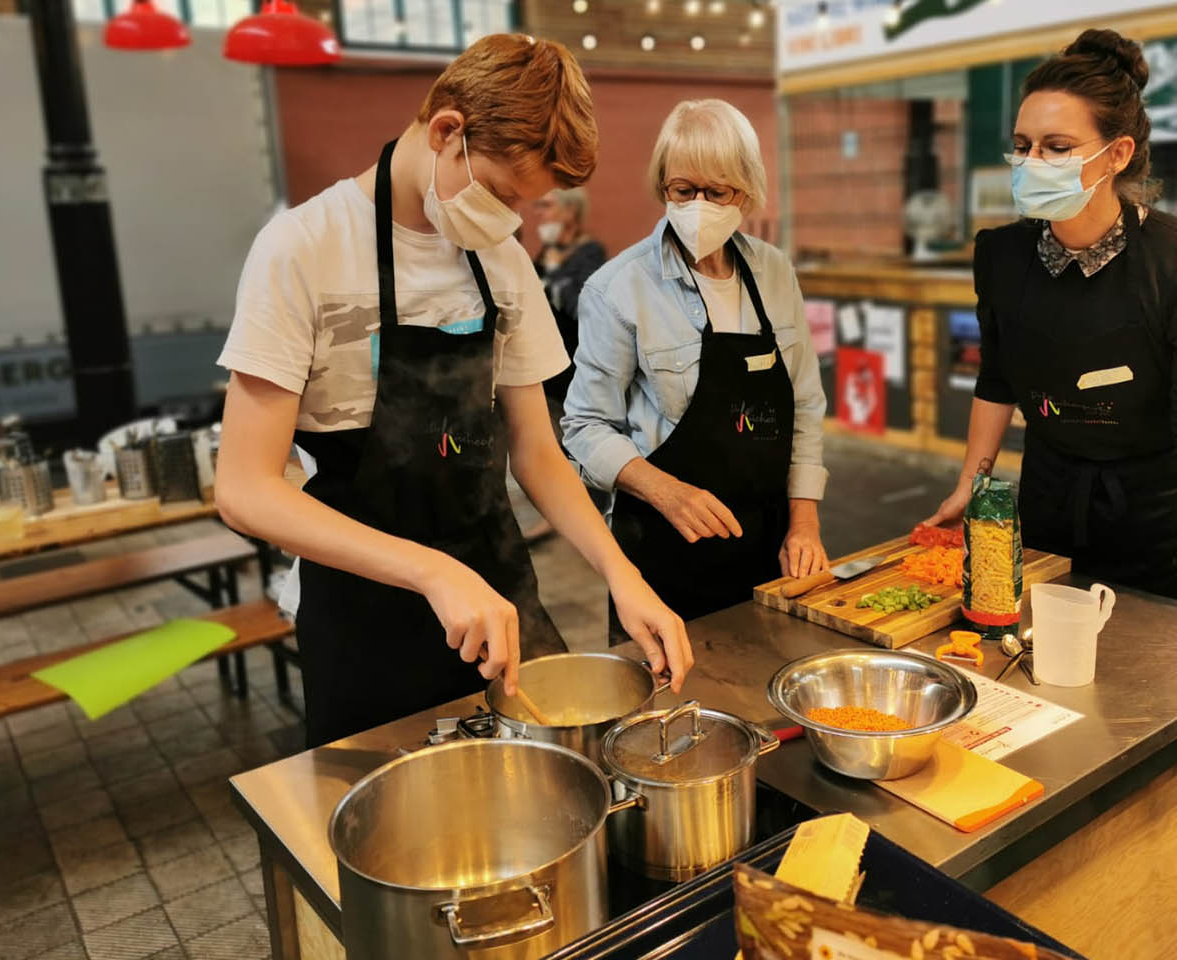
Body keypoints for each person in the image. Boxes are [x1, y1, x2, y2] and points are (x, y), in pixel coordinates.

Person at [214, 35, 693, 747]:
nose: (511, 221)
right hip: (363, 618)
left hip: (498, 598)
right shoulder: (302, 249)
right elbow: (245, 490)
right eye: (502, 194)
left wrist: (621, 573)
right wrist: (431, 571)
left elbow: (536, 452)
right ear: (446, 131)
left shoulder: (500, 260)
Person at [924, 29, 1177, 634]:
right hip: (1045, 506)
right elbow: (998, 376)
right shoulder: (1001, 255)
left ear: (1118, 154)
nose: (1032, 163)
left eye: (1057, 147)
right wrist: (973, 482)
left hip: (1153, 520)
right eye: (1022, 146)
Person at [563, 99, 830, 627]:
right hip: (664, 553)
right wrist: (665, 490)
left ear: (746, 192)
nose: (698, 205)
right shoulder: (619, 288)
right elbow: (585, 426)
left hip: (770, 546)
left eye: (717, 191)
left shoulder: (774, 272)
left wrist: (805, 523)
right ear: (663, 187)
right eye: (683, 191)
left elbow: (804, 404)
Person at [533, 187, 606, 413]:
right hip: (543, 362)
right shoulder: (548, 251)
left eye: (547, 205)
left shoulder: (590, 253)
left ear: (570, 211)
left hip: (571, 366)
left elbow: (583, 308)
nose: (539, 213)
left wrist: (555, 271)